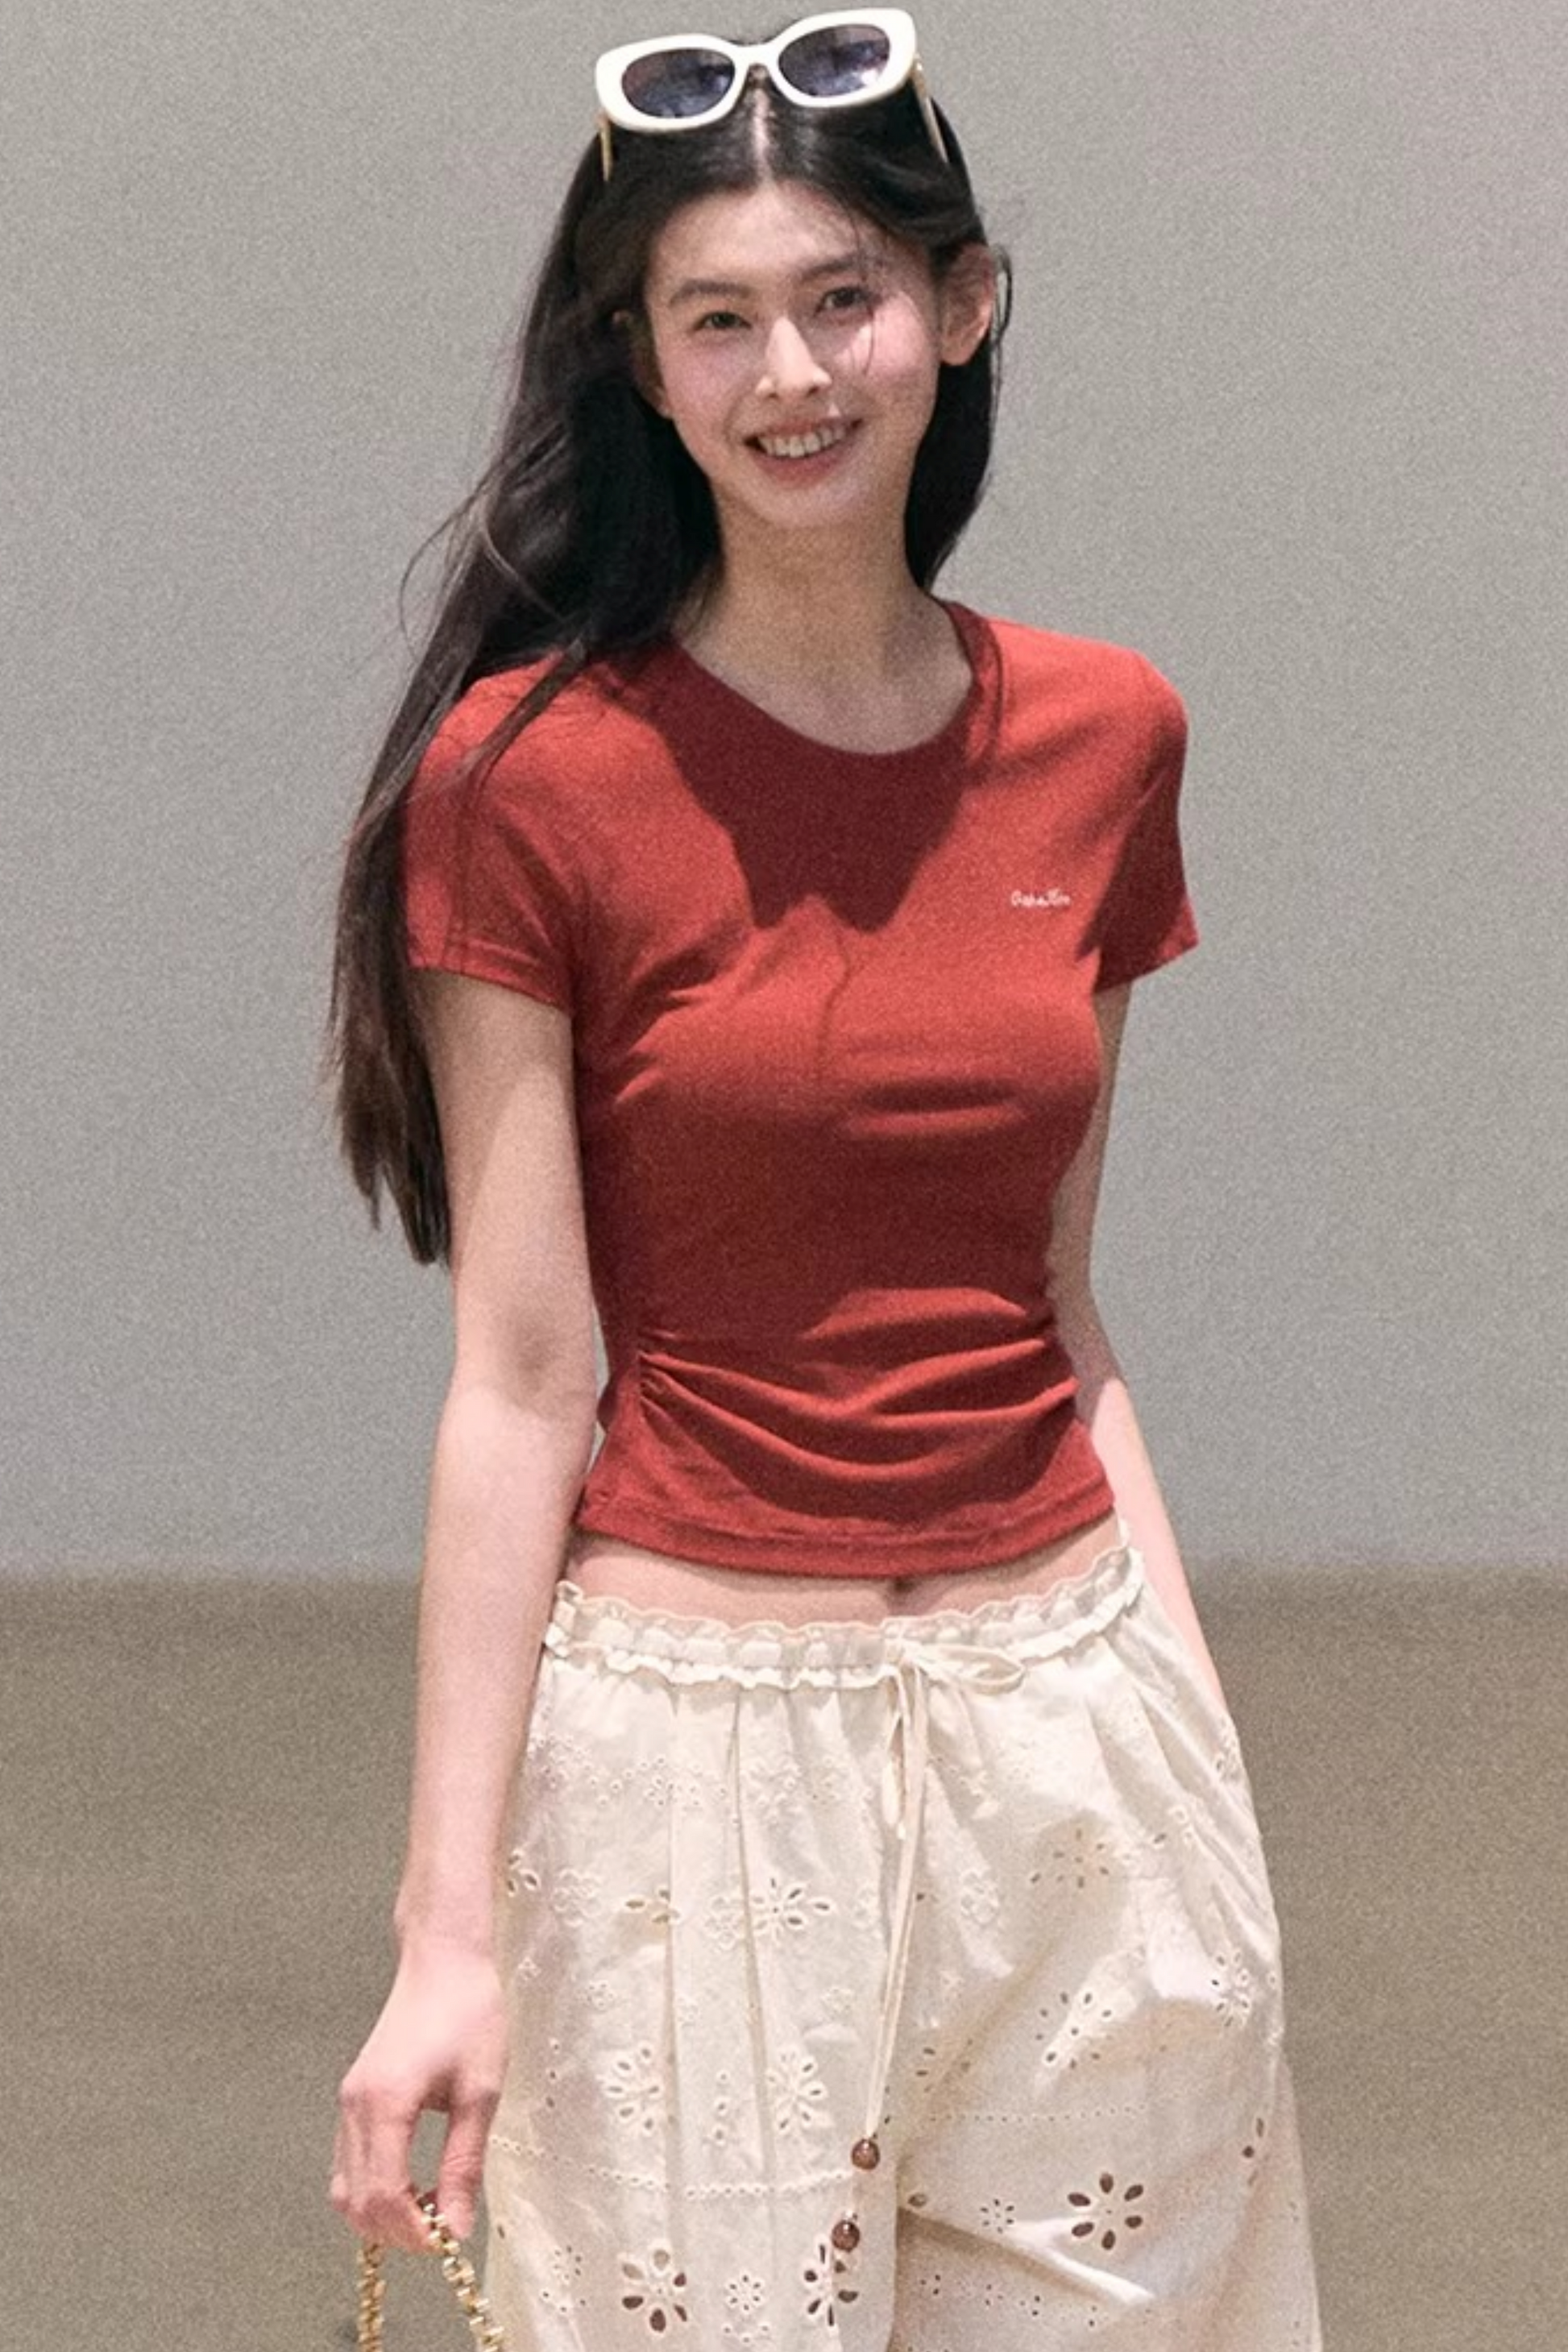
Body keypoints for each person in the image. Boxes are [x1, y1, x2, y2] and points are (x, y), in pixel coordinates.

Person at [324, 13, 1322, 2346]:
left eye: (845, 296)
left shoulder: (1104, 735)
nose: (793, 371)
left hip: (1073, 1744)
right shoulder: (527, 779)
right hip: (693, 1771)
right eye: (721, 317)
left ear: (960, 307)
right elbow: (523, 1380)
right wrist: (447, 1937)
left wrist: (1198, 1768)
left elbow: (1056, 1308)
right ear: (643, 365)